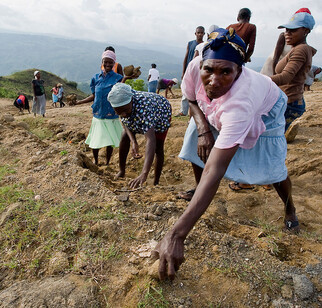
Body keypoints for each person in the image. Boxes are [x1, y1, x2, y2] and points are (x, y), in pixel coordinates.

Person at [153, 28, 299, 280]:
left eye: (225, 72)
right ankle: (200, 192)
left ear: (239, 71)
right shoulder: (196, 64)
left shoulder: (241, 104)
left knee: (271, 167)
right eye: (209, 70)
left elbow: (215, 168)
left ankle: (290, 210)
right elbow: (192, 99)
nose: (214, 79)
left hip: (268, 108)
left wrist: (176, 235)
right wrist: (203, 130)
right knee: (197, 144)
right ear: (202, 65)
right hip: (217, 108)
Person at [108, 83, 171, 188]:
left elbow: (150, 140)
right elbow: (125, 121)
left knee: (158, 148)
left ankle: (156, 181)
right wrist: (133, 141)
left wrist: (144, 174)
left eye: (125, 110)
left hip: (161, 112)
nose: (123, 114)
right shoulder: (119, 102)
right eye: (119, 112)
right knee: (125, 136)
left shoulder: (145, 107)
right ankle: (121, 170)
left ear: (132, 101)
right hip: (138, 113)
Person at [74, 50, 131, 165]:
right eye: (106, 62)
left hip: (111, 114)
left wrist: (126, 78)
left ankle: (107, 162)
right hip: (98, 114)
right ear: (102, 62)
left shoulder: (118, 78)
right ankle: (95, 160)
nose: (108, 65)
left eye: (111, 63)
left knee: (109, 141)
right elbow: (94, 95)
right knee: (96, 141)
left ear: (114, 63)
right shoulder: (96, 78)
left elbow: (122, 89)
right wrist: (79, 102)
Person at [270, 8, 316, 131]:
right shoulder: (297, 48)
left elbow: (286, 77)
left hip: (290, 103)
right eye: (287, 30)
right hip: (290, 100)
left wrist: (256, 80)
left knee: (272, 138)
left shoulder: (301, 49)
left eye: (293, 30)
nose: (287, 33)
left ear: (306, 31)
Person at [177, 26, 205, 117]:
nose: (200, 34)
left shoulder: (204, 45)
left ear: (204, 34)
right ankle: (183, 111)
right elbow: (186, 58)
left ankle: (195, 112)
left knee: (197, 91)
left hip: (198, 72)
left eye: (202, 33)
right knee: (186, 89)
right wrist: (183, 72)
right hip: (189, 71)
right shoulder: (190, 44)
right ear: (195, 33)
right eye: (198, 32)